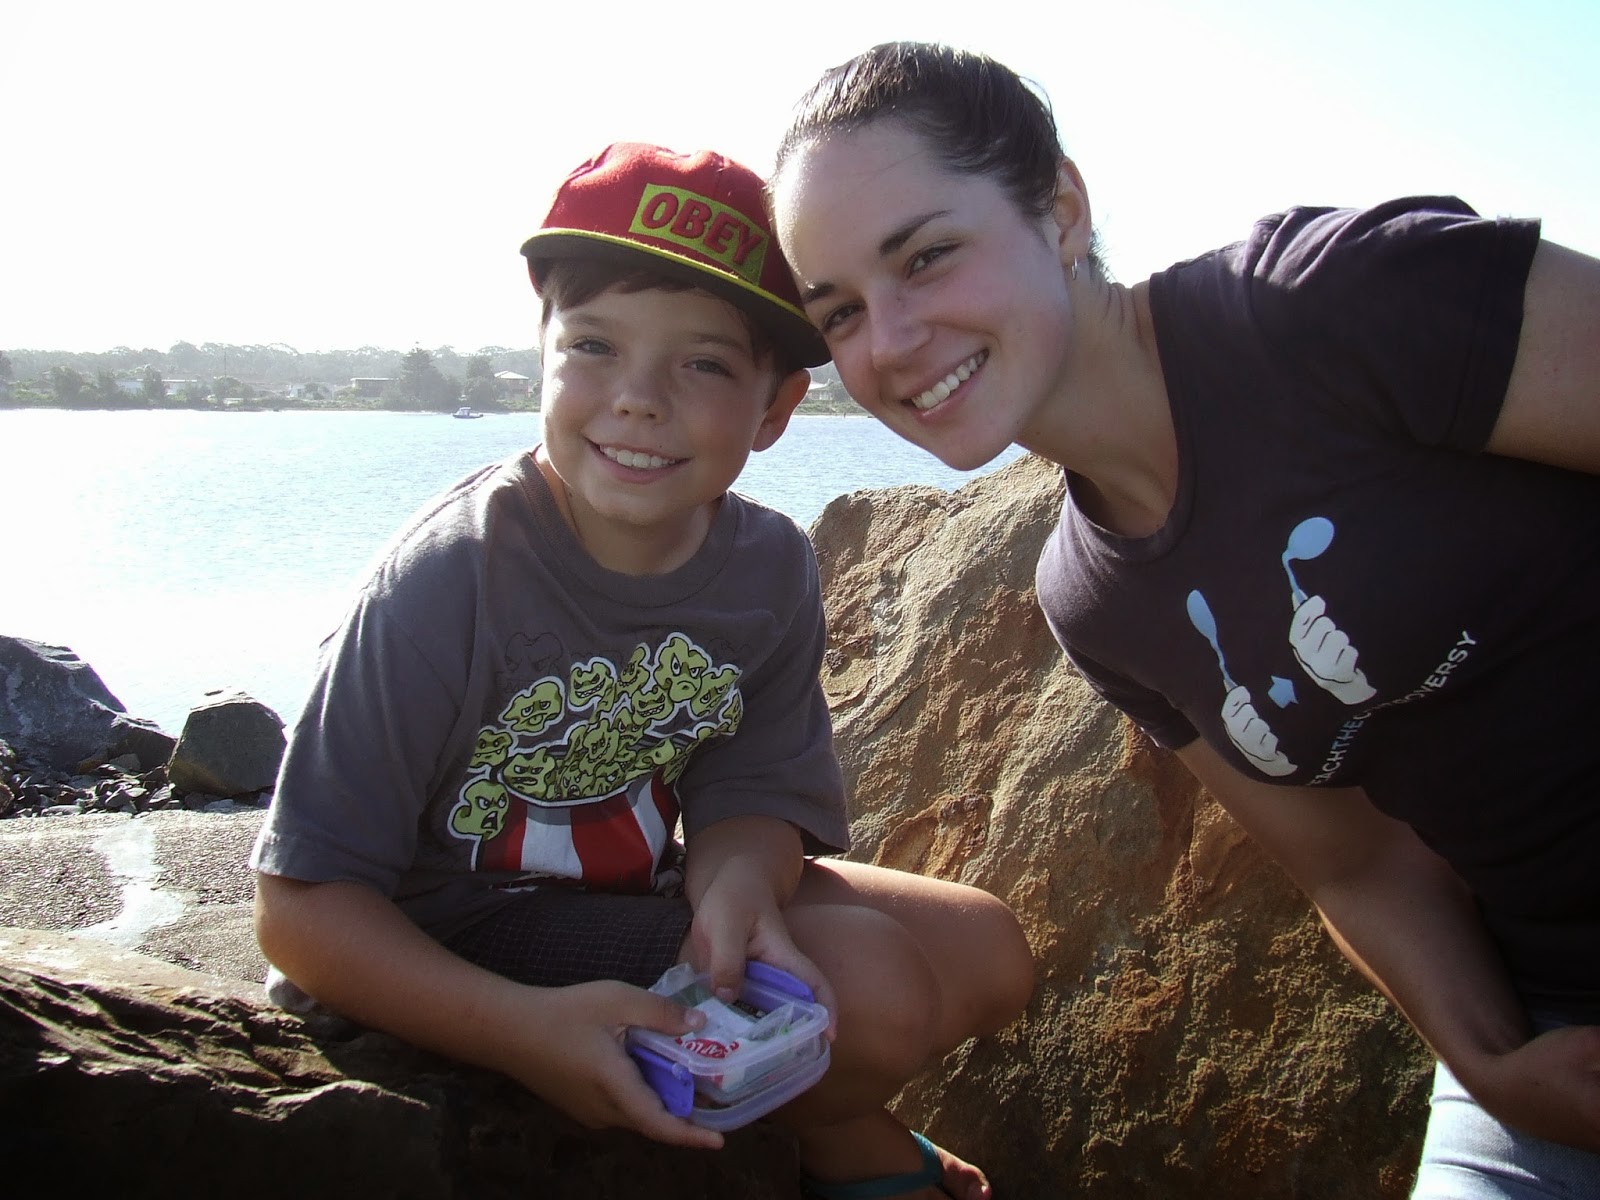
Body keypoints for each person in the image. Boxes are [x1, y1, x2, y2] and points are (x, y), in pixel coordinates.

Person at [767, 40, 1600, 1199]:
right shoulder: (1092, 598)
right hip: (1555, 1016)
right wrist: (1499, 1066)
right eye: (841, 311)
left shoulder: (1325, 303)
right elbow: (1356, 863)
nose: (891, 340)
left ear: (1060, 209)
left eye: (927, 255)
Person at [251, 141, 1033, 1200]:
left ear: (775, 408)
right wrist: (519, 1030)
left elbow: (751, 793)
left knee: (987, 949)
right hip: (443, 934)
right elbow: (298, 908)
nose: (637, 399)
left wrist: (738, 890)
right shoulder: (447, 578)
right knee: (879, 994)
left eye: (702, 364)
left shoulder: (765, 567)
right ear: (541, 354)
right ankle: (832, 1142)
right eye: (593, 346)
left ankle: (799, 1109)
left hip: (626, 897)